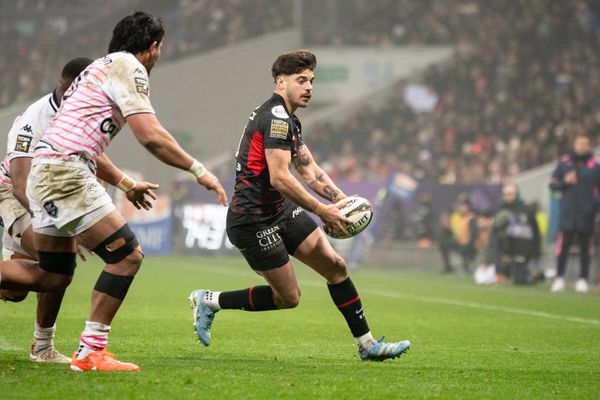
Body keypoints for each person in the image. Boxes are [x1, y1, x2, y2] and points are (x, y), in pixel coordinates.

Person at [0, 11, 228, 371]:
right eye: (159, 49)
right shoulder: (128, 67)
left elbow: (81, 135)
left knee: (54, 275)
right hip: (66, 173)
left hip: (49, 171)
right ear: (153, 47)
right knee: (127, 256)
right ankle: (92, 350)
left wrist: (125, 183)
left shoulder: (98, 68)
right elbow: (150, 136)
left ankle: (79, 350)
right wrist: (199, 170)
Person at [188, 50, 410, 362]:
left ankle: (367, 344)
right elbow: (280, 177)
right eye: (301, 80)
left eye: (311, 81)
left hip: (280, 211)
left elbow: (309, 170)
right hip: (252, 221)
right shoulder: (276, 120)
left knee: (336, 268)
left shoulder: (289, 118)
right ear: (280, 82)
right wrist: (322, 210)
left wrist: (341, 200)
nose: (309, 87)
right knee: (288, 298)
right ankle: (209, 300)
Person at [0, 57, 94, 364]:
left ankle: (42, 346)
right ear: (67, 84)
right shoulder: (33, 119)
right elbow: (20, 183)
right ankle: (42, 347)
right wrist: (61, 223)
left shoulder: (81, 115)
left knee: (18, 290)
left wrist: (123, 183)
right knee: (57, 265)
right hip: (14, 192)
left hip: (46, 197)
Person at [549, 134, 600, 293]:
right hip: (568, 213)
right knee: (563, 247)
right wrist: (564, 182)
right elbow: (552, 184)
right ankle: (559, 277)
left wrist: (595, 205)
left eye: (585, 143)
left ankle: (583, 279)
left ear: (589, 145)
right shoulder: (564, 163)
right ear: (574, 144)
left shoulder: (595, 165)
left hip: (587, 214)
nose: (582, 146)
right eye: (579, 143)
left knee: (586, 248)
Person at [492, 183, 541, 285]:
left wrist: (535, 253)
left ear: (517, 194)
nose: (508, 196)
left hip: (522, 251)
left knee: (520, 281)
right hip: (505, 250)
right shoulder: (499, 210)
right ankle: (501, 272)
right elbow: (495, 233)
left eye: (510, 193)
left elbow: (535, 232)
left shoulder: (526, 210)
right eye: (505, 194)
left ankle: (533, 274)